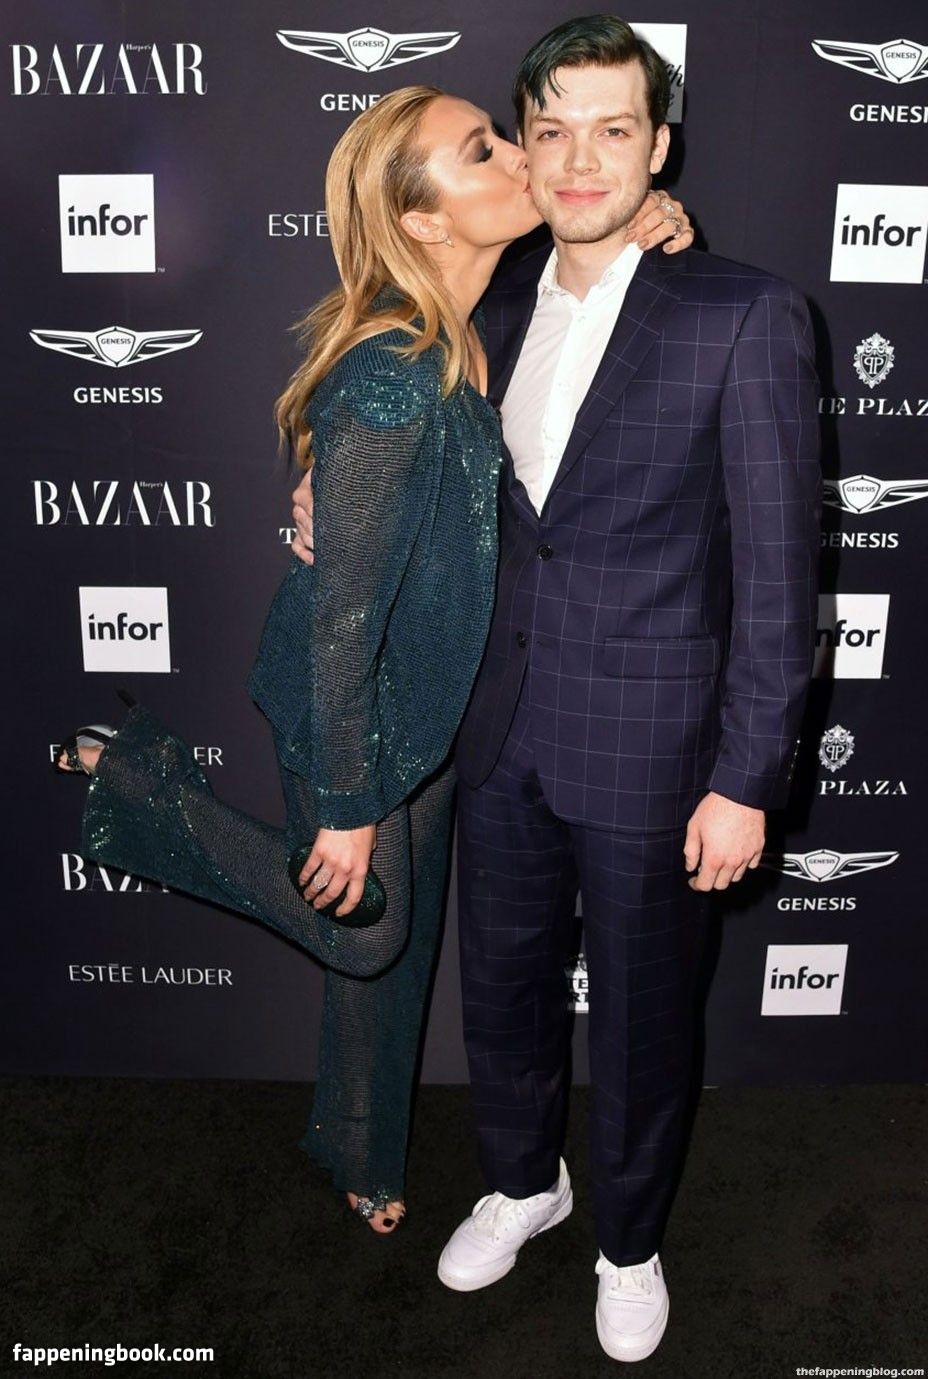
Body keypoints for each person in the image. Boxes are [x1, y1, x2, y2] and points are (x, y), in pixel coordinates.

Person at [53, 83, 694, 1237]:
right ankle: (135, 776)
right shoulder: (393, 375)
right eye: (482, 150)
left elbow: (591, 271)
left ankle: (359, 1143)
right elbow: (345, 621)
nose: (520, 155)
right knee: (368, 928)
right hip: (347, 700)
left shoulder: (488, 314)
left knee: (390, 957)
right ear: (421, 217)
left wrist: (657, 217)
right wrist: (347, 805)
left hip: (439, 698)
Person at [291, 10, 820, 1361]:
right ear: (524, 147)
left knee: (643, 1017)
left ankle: (629, 1238)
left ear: (660, 146)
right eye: (551, 130)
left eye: (614, 129)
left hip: (657, 747)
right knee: (506, 990)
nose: (581, 160)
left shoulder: (743, 311)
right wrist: (315, 502)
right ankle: (527, 1181)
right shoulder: (484, 306)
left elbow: (780, 575)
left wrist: (746, 777)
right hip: (498, 727)